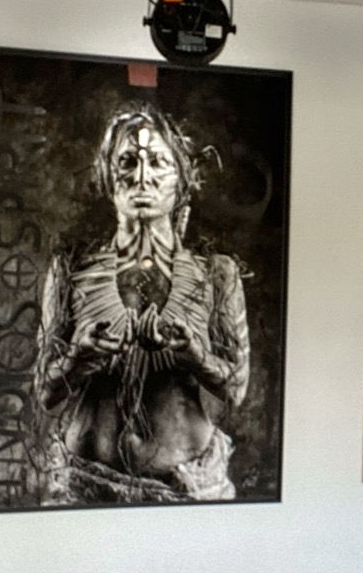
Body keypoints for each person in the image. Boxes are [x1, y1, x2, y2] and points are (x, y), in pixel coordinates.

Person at [34, 104, 249, 504]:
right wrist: (79, 358)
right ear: (106, 175)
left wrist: (195, 357)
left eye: (158, 162)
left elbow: (236, 389)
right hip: (85, 485)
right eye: (128, 161)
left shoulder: (216, 274)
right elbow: (44, 392)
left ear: (182, 178)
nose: (142, 176)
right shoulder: (72, 270)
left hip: (187, 487)